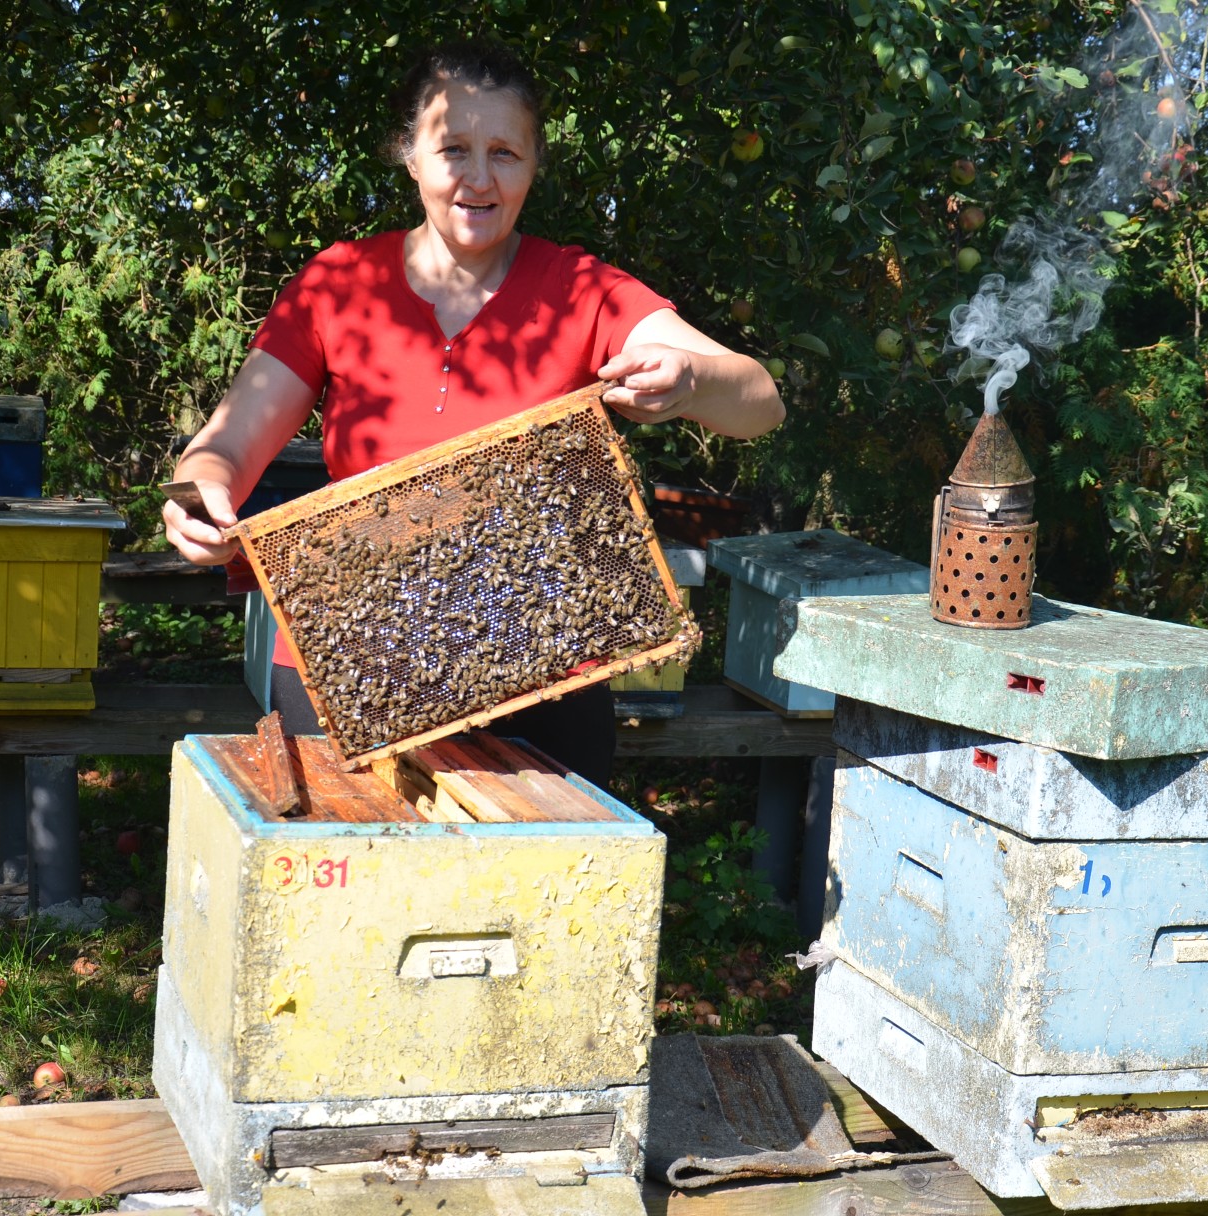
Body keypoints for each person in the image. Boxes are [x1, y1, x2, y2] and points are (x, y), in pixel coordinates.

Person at [164, 39, 784, 785]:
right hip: (353, 670)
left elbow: (759, 401)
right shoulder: (337, 286)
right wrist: (202, 494)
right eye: (454, 148)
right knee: (357, 891)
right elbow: (227, 443)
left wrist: (689, 380)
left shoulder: (579, 290)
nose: (479, 179)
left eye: (506, 154)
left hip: (544, 667)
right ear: (411, 156)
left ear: (534, 164)